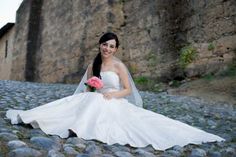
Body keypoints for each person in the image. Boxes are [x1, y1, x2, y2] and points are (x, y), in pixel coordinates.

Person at [6, 32, 224, 150]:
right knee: (87, 101)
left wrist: (111, 94)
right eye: (105, 45)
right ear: (100, 45)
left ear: (115, 49)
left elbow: (127, 89)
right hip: (95, 98)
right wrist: (93, 89)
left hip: (114, 100)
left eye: (111, 46)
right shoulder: (93, 66)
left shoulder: (119, 66)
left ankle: (78, 130)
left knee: (100, 103)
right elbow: (87, 86)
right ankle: (69, 125)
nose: (107, 49)